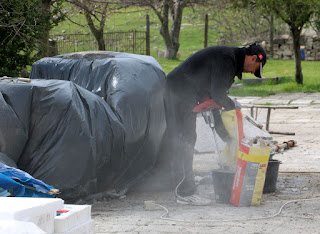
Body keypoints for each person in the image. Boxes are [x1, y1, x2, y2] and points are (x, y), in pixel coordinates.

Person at [163, 43, 267, 206]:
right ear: (253, 58)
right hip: (180, 91)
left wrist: (225, 136)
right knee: (186, 138)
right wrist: (231, 104)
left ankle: (181, 183)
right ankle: (185, 192)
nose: (253, 72)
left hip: (183, 91)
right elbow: (218, 95)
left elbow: (213, 99)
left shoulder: (229, 60)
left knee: (186, 137)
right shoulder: (228, 59)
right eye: (256, 68)